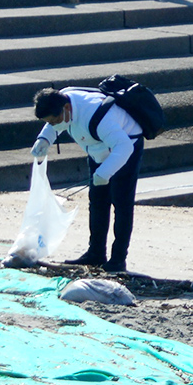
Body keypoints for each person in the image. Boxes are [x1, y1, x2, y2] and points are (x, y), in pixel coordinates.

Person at [30, 87, 146, 272]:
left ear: (67, 108)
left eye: (55, 120)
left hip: (126, 147)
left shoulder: (97, 117)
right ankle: (96, 253)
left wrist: (104, 173)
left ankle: (118, 260)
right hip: (97, 149)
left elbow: (124, 147)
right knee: (98, 202)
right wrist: (44, 138)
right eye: (49, 122)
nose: (54, 124)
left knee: (122, 204)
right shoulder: (63, 100)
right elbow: (55, 123)